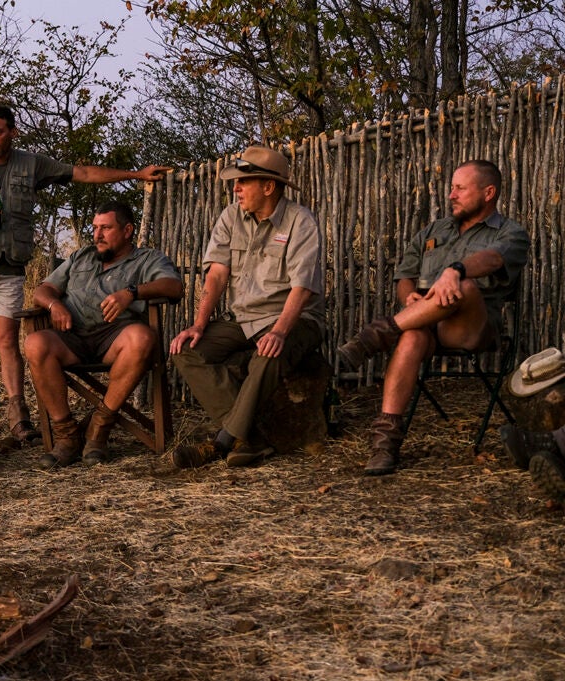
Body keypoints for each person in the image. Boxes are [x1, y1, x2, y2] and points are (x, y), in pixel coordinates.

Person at [0, 104, 171, 445]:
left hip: (9, 269)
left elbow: (83, 173)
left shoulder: (31, 164)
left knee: (6, 341)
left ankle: (19, 415)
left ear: (12, 132)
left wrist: (134, 175)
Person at [337, 160, 529, 475]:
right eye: (451, 187)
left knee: (462, 287)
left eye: (460, 188)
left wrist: (455, 270)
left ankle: (377, 334)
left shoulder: (510, 232)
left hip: (469, 327)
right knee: (411, 337)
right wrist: (408, 297)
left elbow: (494, 259)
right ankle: (384, 445)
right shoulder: (433, 230)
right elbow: (404, 276)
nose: (451, 194)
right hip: (423, 322)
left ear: (488, 192)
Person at [169, 145, 325, 469]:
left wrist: (281, 331)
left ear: (268, 186)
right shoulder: (230, 216)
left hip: (293, 317)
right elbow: (217, 274)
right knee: (185, 349)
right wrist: (199, 324)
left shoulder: (301, 222)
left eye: (243, 181)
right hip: (242, 318)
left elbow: (303, 288)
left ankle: (221, 442)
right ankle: (251, 438)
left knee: (267, 355)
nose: (235, 188)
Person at [24, 201, 182, 467]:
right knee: (35, 343)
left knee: (142, 338)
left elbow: (174, 287)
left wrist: (131, 293)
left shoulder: (148, 259)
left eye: (106, 228)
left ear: (127, 230)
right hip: (71, 336)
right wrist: (54, 304)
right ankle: (67, 436)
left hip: (115, 337)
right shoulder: (81, 256)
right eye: (95, 227)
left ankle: (98, 430)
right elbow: (43, 289)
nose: (97, 234)